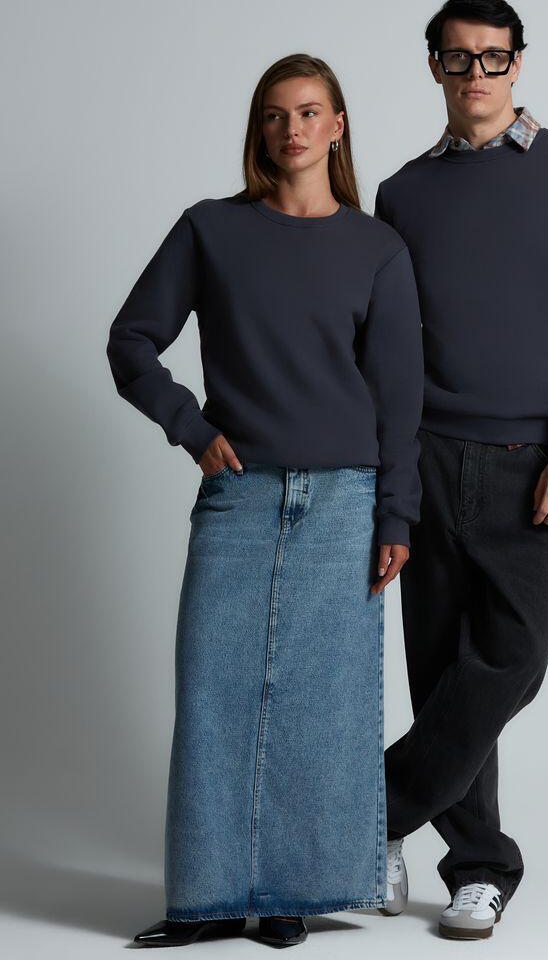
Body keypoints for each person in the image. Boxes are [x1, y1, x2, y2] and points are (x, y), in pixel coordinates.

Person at [106, 53, 424, 949]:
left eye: (310, 111)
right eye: (277, 114)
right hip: (238, 498)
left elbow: (400, 399)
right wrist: (190, 427)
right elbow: (131, 341)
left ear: (338, 127)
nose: (293, 128)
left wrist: (396, 514)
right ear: (259, 129)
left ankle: (288, 894)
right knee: (213, 693)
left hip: (347, 501)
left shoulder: (377, 249)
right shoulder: (211, 229)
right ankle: (205, 901)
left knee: (321, 706)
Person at [375, 0, 548, 940]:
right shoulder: (403, 193)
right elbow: (387, 343)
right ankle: (478, 868)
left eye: (493, 56)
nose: (476, 73)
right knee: (442, 671)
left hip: (535, 466)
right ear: (434, 67)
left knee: (511, 664)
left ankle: (368, 813)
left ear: (517, 62)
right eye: (458, 57)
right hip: (427, 456)